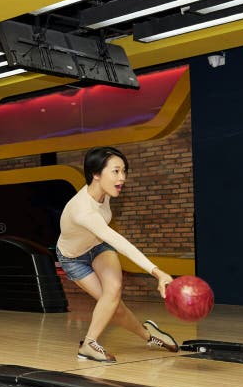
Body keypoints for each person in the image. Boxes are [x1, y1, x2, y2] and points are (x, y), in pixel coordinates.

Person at [56, 146, 179, 362]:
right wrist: (156, 271)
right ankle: (149, 334)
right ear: (95, 174)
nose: (122, 178)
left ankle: (89, 344)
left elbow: (108, 239)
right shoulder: (83, 210)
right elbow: (120, 242)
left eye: (124, 171)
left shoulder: (105, 192)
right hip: (73, 258)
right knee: (115, 307)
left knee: (112, 292)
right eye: (115, 171)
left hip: (98, 247)